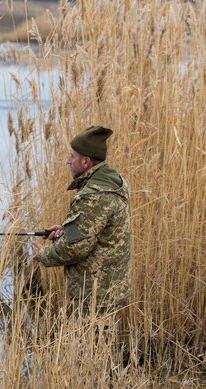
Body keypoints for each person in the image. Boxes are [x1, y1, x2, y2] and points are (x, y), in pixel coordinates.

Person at [32, 125, 131, 314]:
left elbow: (75, 248)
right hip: (110, 287)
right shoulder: (114, 181)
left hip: (94, 294)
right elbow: (95, 228)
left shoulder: (92, 195)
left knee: (90, 343)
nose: (67, 162)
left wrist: (45, 254)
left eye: (72, 156)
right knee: (101, 343)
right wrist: (66, 230)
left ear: (85, 162)